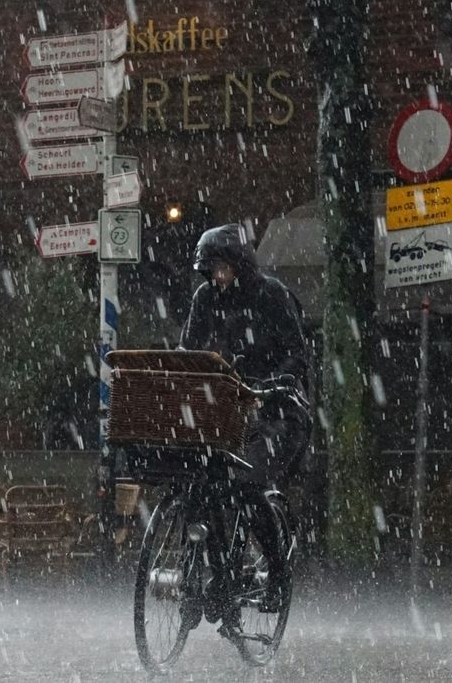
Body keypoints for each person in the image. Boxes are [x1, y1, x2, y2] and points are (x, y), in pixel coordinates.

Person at [179, 223, 312, 612]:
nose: (217, 278)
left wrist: (268, 385)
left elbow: (297, 355)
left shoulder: (272, 295)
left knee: (248, 486)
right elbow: (190, 349)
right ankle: (216, 568)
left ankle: (277, 575)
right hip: (227, 412)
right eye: (211, 271)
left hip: (278, 413)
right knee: (201, 480)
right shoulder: (205, 298)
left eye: (222, 268)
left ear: (241, 264)